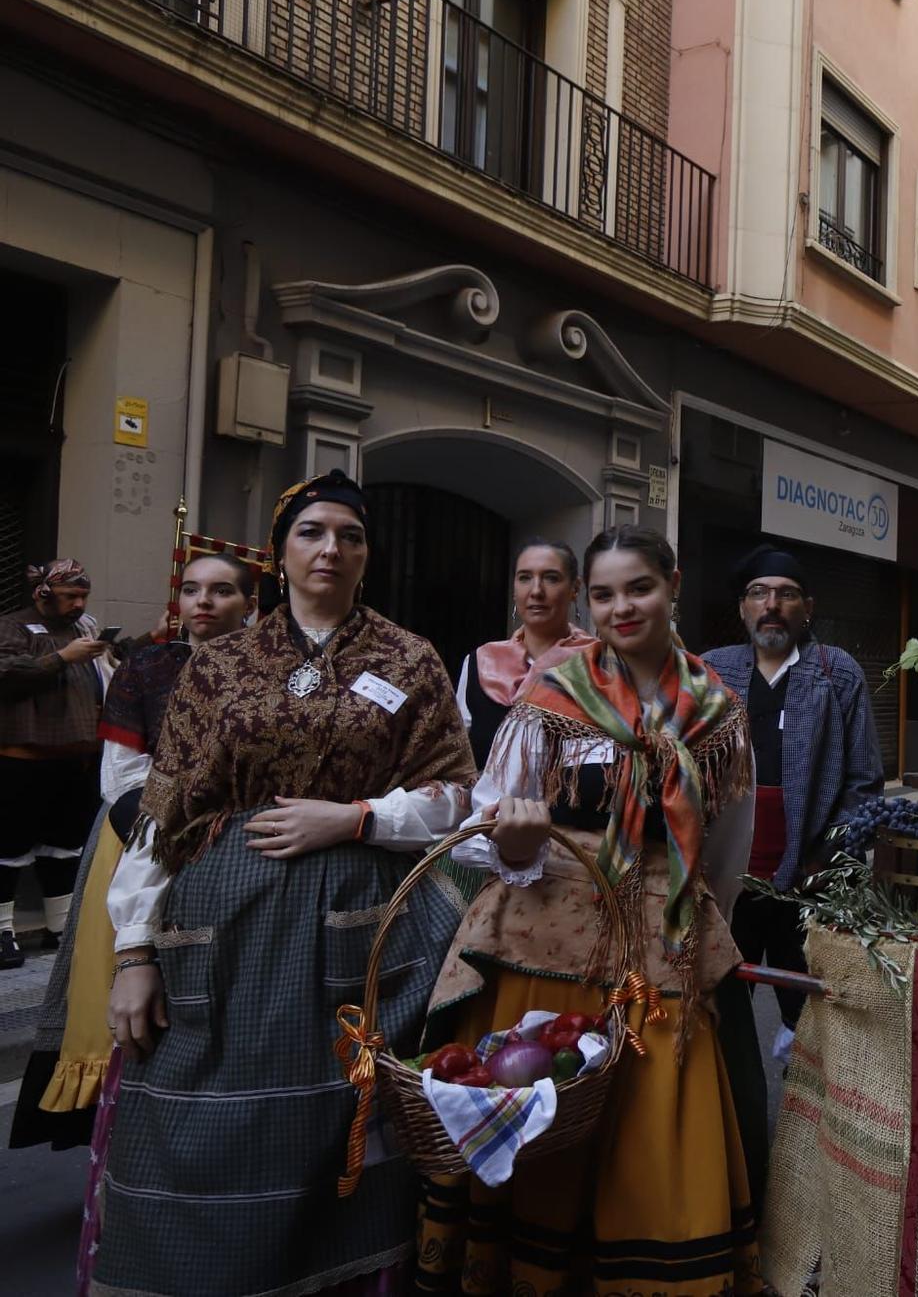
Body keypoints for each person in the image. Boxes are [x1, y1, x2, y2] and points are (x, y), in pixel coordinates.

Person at [96, 471, 477, 1297]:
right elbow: (167, 811)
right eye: (311, 532)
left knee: (344, 1119)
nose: (330, 548)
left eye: (349, 534)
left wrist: (356, 818)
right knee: (200, 1117)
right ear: (279, 553)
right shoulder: (222, 664)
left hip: (365, 926)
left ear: (367, 554)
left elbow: (454, 796)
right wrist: (133, 950)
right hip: (220, 928)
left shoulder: (409, 659)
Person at [416, 525, 764, 1295]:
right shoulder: (549, 698)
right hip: (541, 932)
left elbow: (727, 852)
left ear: (673, 584)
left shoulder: (718, 711)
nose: (620, 607)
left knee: (650, 1129)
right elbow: (483, 827)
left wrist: (696, 925)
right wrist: (515, 842)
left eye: (638, 587)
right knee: (542, 1104)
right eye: (603, 594)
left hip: (663, 936)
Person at [9, 552, 258, 1155]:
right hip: (140, 835)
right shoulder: (148, 667)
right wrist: (187, 810)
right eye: (192, 589)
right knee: (128, 989)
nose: (202, 602)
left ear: (249, 605)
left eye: (221, 591)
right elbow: (120, 775)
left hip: (246, 846)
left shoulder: (276, 672)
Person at [700, 544, 881, 1054]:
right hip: (727, 880)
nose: (772, 604)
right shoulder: (712, 671)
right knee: (721, 1010)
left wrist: (824, 859)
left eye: (786, 594)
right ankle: (739, 1125)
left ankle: (812, 1122)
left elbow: (863, 781)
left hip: (806, 879)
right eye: (759, 593)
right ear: (742, 608)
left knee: (812, 1014)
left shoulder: (835, 672)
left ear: (808, 608)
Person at [0, 559, 166, 969]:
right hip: (22, 759)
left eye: (82, 596)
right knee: (8, 847)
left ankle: (61, 927)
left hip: (77, 760)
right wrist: (63, 657)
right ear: (43, 594)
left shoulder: (83, 628)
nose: (78, 603)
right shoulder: (13, 626)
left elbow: (119, 657)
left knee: (64, 847)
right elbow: (6, 672)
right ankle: (4, 933)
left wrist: (153, 637)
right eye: (70, 596)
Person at [456, 537, 594, 767]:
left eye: (551, 578)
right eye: (525, 578)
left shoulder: (598, 663)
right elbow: (458, 761)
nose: (536, 591)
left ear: (575, 589)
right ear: (514, 589)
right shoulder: (480, 663)